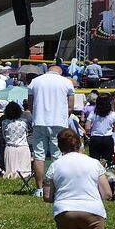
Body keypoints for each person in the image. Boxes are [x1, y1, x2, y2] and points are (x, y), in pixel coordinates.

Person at [44, 129, 112, 229]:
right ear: (79, 143)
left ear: (60, 146)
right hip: (92, 210)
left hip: (65, 211)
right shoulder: (94, 163)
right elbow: (107, 193)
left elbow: (47, 196)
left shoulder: (54, 165)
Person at [28, 66, 75, 196]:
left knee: (38, 156)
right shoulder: (66, 82)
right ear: (59, 72)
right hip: (59, 122)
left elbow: (30, 104)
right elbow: (70, 106)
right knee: (58, 156)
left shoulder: (35, 81)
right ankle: (59, 187)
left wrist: (37, 115)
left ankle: (39, 189)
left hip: (39, 121)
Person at [0, 101, 32, 179]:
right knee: (24, 172)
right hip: (23, 147)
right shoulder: (24, 122)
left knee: (11, 171)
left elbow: (4, 135)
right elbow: (28, 133)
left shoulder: (4, 122)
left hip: (10, 147)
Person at [85, 93, 115, 164]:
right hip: (108, 138)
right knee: (107, 161)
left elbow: (87, 128)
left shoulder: (93, 113)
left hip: (95, 138)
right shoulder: (112, 114)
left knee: (94, 161)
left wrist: (88, 133)